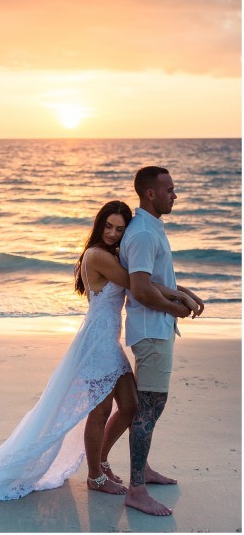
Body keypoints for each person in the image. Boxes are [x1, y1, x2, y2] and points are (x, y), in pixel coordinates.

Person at [0, 200, 197, 504]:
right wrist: (179, 292)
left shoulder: (110, 255)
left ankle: (101, 463)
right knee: (99, 412)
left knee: (129, 407)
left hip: (108, 342)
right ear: (99, 226)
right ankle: (95, 475)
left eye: (120, 229)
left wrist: (172, 289)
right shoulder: (97, 256)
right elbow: (137, 283)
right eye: (109, 226)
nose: (114, 233)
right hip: (97, 344)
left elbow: (142, 280)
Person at [118, 166, 205, 516]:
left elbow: (153, 280)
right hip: (151, 331)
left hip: (157, 327)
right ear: (150, 194)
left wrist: (180, 293)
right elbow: (139, 290)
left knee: (152, 408)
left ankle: (144, 471)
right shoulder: (141, 233)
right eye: (169, 189)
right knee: (148, 410)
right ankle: (136, 489)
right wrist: (175, 309)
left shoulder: (151, 227)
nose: (175, 194)